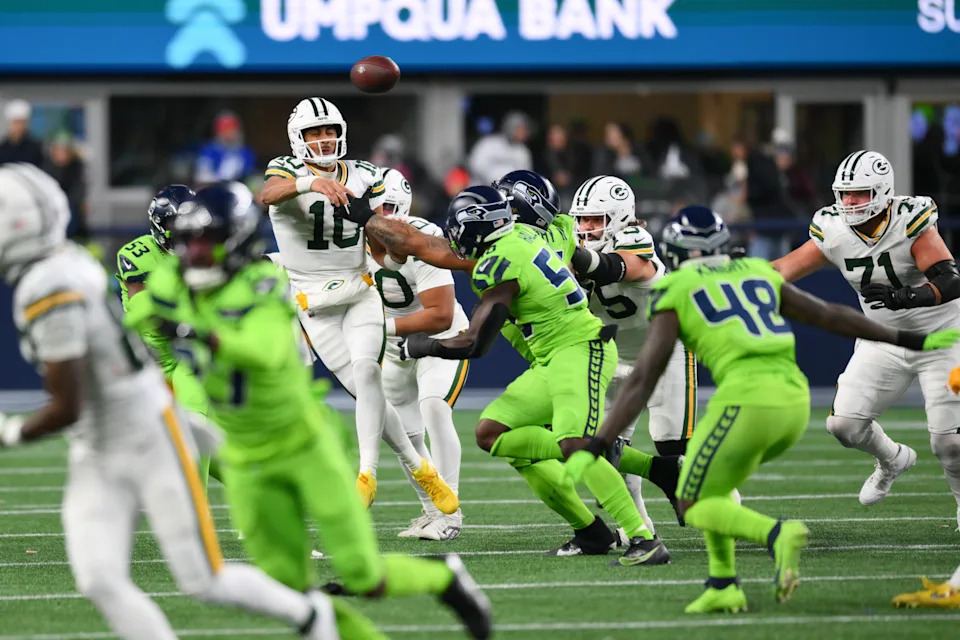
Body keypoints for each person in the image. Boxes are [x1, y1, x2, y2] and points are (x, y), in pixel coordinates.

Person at [127, 182, 492, 639]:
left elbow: (261, 352)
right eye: (189, 241)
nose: (194, 253)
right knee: (294, 596)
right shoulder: (173, 280)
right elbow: (131, 320)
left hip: (303, 446)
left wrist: (196, 331)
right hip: (245, 462)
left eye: (207, 241)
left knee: (364, 576)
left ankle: (445, 577)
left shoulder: (261, 286)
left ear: (235, 240)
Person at [0, 163, 343, 640]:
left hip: (143, 421)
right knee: (99, 578)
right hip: (105, 429)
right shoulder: (78, 262)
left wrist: (10, 432)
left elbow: (67, 402)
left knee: (202, 577)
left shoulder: (52, 282)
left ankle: (311, 616)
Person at [561, 205, 960, 613]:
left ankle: (775, 534)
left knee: (693, 500)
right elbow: (828, 314)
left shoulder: (674, 288)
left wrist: (600, 442)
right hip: (792, 399)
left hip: (747, 401)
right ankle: (723, 584)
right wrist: (907, 340)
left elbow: (644, 377)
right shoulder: (756, 270)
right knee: (709, 483)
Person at [341, 185, 680, 566]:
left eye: (457, 229)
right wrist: (368, 219)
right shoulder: (532, 233)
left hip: (582, 348)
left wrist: (417, 345)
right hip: (551, 358)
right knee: (492, 433)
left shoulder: (499, 265)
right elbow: (427, 247)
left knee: (575, 443)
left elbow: (474, 343)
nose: (451, 238)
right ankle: (592, 529)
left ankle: (644, 539)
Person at [260, 97, 456, 511]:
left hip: (359, 286)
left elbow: (380, 241)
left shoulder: (367, 175)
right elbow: (268, 194)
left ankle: (366, 475)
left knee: (369, 372)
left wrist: (395, 252)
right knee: (365, 392)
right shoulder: (287, 169)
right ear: (299, 138)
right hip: (312, 299)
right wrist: (311, 183)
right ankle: (420, 466)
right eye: (315, 132)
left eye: (330, 130)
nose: (325, 138)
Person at [772, 150, 960, 526]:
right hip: (883, 339)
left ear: (882, 192)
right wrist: (734, 281)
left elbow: (950, 279)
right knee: (843, 425)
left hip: (940, 338)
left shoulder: (909, 221)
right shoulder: (833, 228)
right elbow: (780, 270)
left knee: (950, 443)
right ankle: (892, 459)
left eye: (858, 194)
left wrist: (905, 296)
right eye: (844, 194)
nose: (849, 202)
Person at [570, 175, 709, 539]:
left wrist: (567, 257)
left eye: (595, 220)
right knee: (606, 445)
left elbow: (616, 268)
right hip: (613, 358)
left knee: (674, 451)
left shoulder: (635, 239)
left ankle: (726, 502)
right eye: (581, 219)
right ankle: (638, 526)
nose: (586, 227)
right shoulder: (572, 246)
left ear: (619, 217)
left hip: (666, 351)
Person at [369, 168, 469, 540]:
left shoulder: (424, 238)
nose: (381, 215)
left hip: (439, 337)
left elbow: (440, 313)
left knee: (434, 407)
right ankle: (431, 512)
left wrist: (379, 329)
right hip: (392, 345)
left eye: (389, 207)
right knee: (403, 433)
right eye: (374, 207)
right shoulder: (349, 241)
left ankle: (451, 511)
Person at [115, 185, 221, 490]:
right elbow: (142, 306)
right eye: (176, 225)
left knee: (196, 426)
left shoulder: (204, 249)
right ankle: (253, 486)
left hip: (187, 349)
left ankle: (195, 513)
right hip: (151, 359)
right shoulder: (137, 254)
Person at [466, 111, 533, 186]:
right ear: (510, 127)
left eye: (525, 130)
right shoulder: (488, 143)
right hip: (483, 190)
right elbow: (474, 165)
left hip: (507, 193)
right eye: (520, 129)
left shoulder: (523, 151)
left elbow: (525, 175)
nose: (523, 133)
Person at [45, 131, 89, 240]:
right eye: (59, 150)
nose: (62, 154)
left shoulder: (77, 168)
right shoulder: (47, 169)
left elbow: (78, 192)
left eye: (65, 150)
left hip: (72, 214)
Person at [194, 111, 257, 185]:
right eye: (224, 130)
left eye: (231, 129)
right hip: (214, 190)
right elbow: (201, 176)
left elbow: (250, 178)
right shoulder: (208, 150)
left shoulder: (246, 153)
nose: (227, 134)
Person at [0, 99, 43, 167]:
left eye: (22, 122)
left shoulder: (34, 148)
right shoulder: (2, 148)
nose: (19, 126)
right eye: (16, 122)